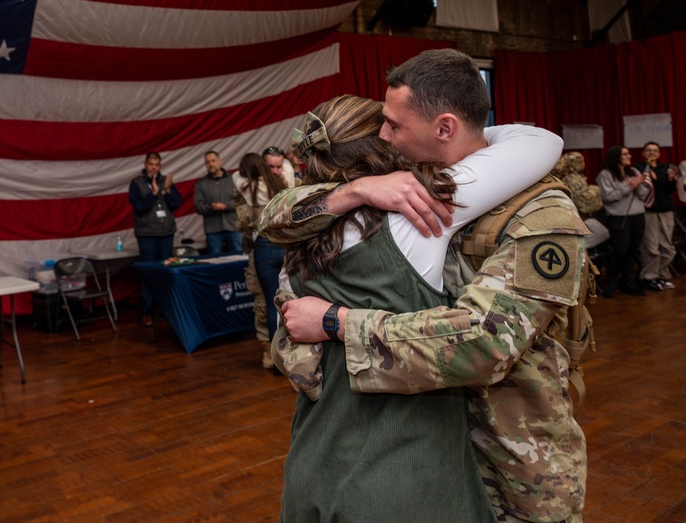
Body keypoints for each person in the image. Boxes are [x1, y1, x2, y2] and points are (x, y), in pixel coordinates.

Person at [259, 48, 587, 523]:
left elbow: (486, 341)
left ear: (445, 127)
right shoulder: (392, 197)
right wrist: (354, 189)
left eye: (393, 125)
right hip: (420, 451)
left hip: (513, 459)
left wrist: (335, 323)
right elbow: (276, 221)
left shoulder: (538, 212)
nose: (383, 135)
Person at [234, 153, 289, 367]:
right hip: (285, 243)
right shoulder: (281, 183)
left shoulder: (247, 189)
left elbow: (242, 223)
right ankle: (288, 352)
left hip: (264, 245)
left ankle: (274, 356)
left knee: (268, 301)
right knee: (288, 297)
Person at [129, 152, 182, 326]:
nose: (154, 167)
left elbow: (176, 204)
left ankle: (165, 309)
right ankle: (146, 311)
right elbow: (139, 208)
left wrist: (167, 190)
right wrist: (152, 194)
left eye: (157, 164)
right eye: (151, 164)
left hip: (166, 232)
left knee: (165, 271)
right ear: (145, 164)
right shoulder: (136, 183)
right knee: (149, 272)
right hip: (147, 234)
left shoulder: (165, 180)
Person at [597, 144, 653, 297]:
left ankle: (627, 282)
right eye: (625, 154)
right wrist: (629, 186)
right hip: (618, 218)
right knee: (620, 251)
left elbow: (642, 195)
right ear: (616, 157)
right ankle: (611, 283)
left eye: (629, 153)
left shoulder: (633, 171)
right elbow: (608, 197)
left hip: (638, 215)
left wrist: (641, 184)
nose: (629, 156)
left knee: (632, 251)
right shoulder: (605, 175)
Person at [635, 142, 678, 290]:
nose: (651, 153)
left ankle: (661, 275)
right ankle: (649, 277)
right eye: (648, 150)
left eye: (655, 151)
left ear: (659, 154)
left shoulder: (666, 168)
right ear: (643, 153)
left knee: (668, 248)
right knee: (651, 247)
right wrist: (650, 175)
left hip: (666, 211)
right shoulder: (638, 169)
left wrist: (670, 180)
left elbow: (667, 190)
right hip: (649, 212)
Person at [194, 150, 242, 254]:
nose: (210, 164)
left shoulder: (234, 179)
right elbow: (198, 207)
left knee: (240, 259)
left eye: (213, 161)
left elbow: (243, 201)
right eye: (207, 162)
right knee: (216, 261)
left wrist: (226, 206)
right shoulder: (201, 184)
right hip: (213, 230)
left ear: (220, 161)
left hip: (234, 227)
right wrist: (211, 208)